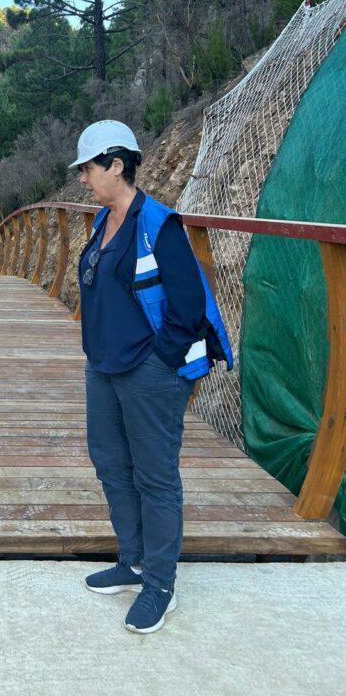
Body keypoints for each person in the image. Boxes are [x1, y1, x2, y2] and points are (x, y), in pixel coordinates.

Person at [73, 120, 232, 635]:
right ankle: (133, 560)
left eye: (88, 169)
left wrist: (159, 362)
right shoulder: (103, 220)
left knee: (155, 475)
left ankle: (160, 584)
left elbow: (188, 306)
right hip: (103, 367)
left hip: (147, 371)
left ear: (116, 165)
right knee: (111, 465)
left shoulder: (159, 224)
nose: (82, 179)